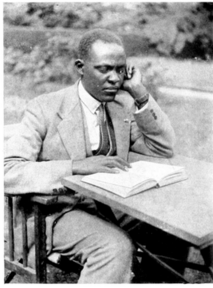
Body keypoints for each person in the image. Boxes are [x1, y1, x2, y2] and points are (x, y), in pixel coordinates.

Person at [4, 28, 175, 283]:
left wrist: (139, 93)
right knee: (113, 246)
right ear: (81, 67)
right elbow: (8, 171)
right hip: (55, 213)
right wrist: (76, 166)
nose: (115, 79)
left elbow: (162, 148)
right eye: (104, 69)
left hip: (112, 205)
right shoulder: (45, 108)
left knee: (171, 226)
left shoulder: (122, 107)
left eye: (120, 69)